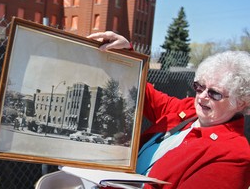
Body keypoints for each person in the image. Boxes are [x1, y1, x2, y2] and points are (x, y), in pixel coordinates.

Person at [87, 31, 250, 189]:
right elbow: (143, 95)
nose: (201, 97)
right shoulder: (189, 112)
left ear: (241, 102)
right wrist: (126, 55)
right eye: (199, 87)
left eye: (214, 93)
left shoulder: (234, 155)